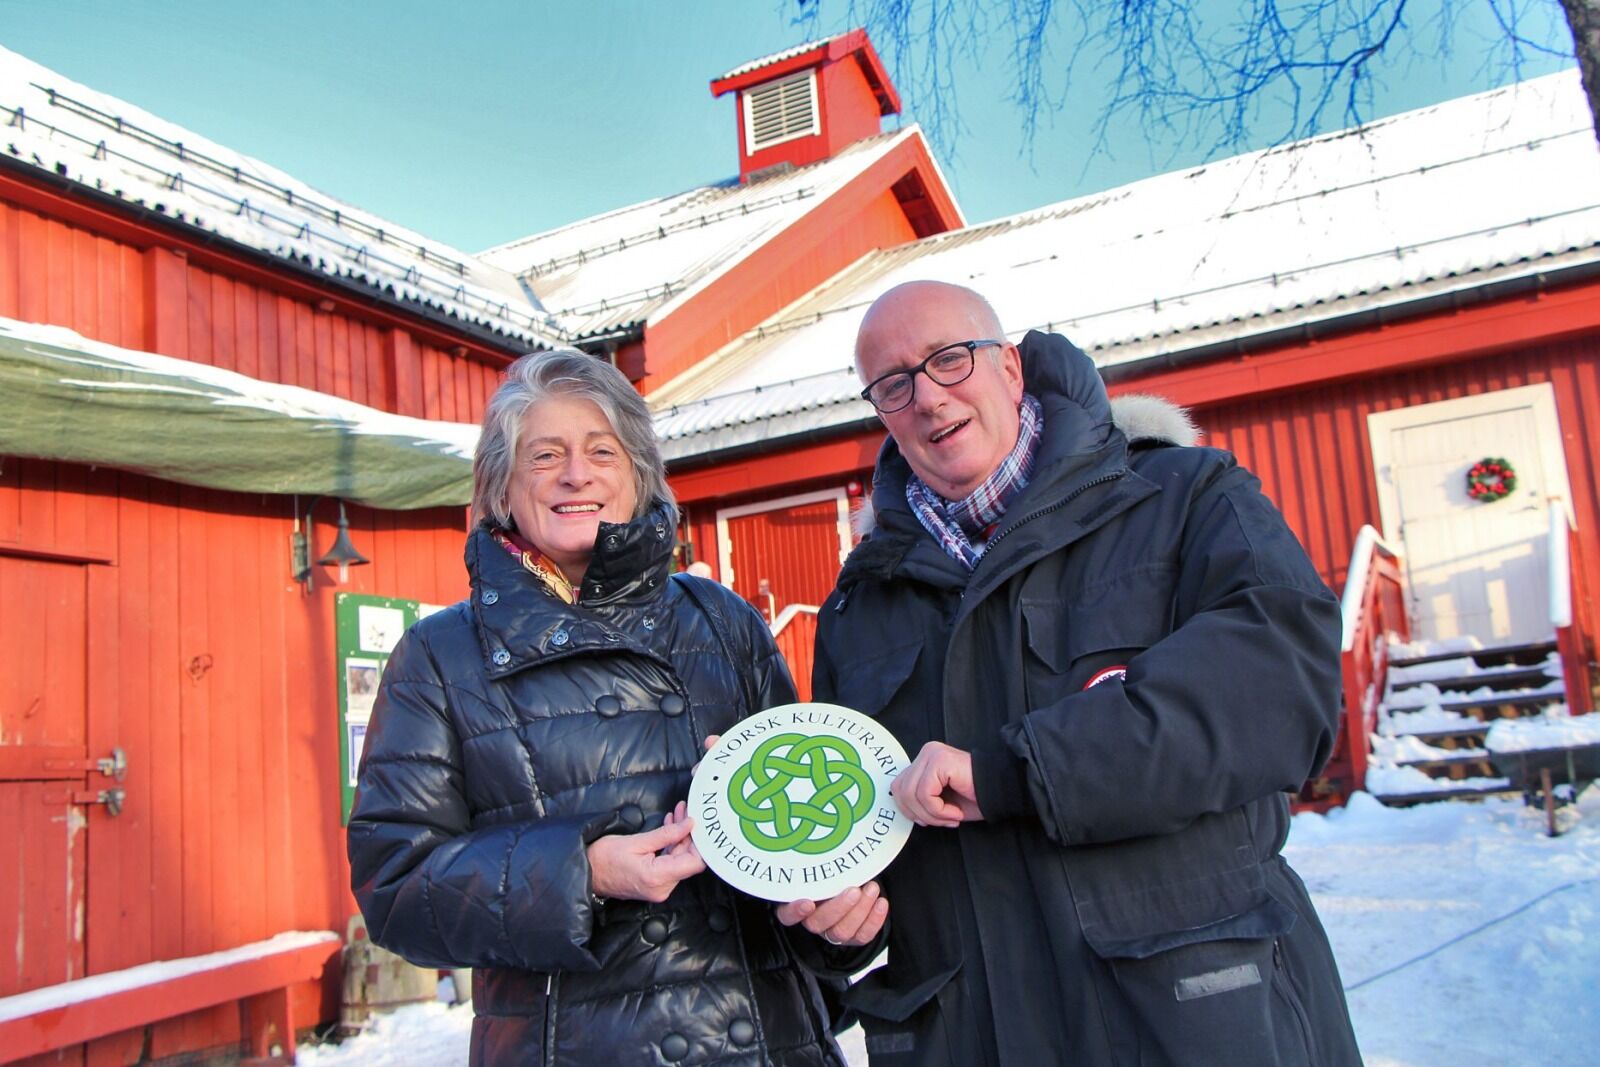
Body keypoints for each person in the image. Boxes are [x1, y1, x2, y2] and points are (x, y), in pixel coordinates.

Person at [811, 281, 1362, 1066]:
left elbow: (1281, 691)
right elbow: (863, 829)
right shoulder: (859, 603)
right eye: (894, 384)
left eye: (949, 359)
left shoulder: (1182, 498)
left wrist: (1015, 772)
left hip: (1188, 1026)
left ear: (1008, 366)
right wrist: (835, 914)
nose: (928, 396)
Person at [348, 350, 864, 1066]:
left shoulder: (722, 621)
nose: (576, 474)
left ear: (638, 474)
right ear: (501, 485)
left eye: (601, 451)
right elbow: (395, 886)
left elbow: (806, 837)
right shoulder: (439, 656)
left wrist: (835, 918)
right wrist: (582, 875)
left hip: (772, 1041)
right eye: (544, 455)